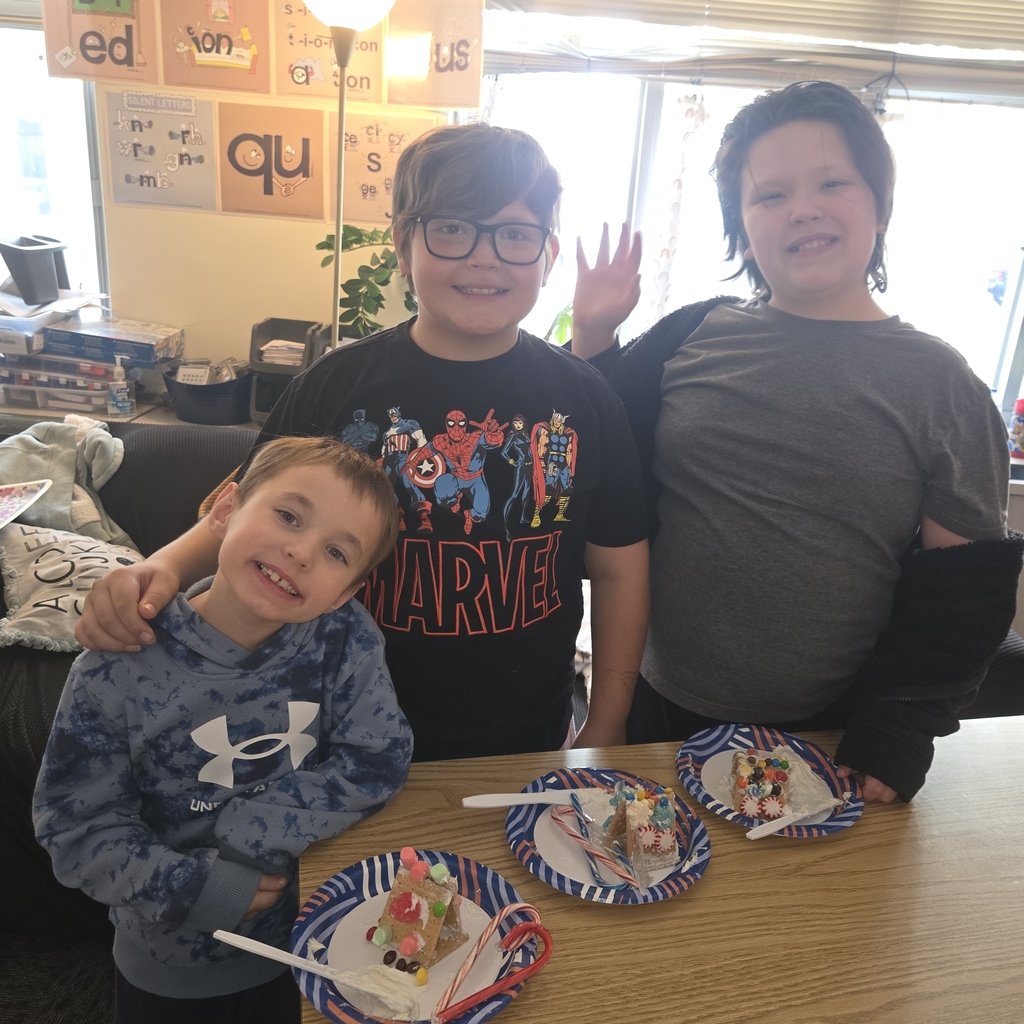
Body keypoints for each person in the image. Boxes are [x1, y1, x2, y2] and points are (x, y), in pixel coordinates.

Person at [74, 123, 650, 762]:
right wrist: (163, 567)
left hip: (521, 738)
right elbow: (243, 509)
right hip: (326, 736)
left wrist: (608, 720)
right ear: (404, 246)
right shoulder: (336, 384)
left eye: (515, 234)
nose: (484, 257)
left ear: (548, 254)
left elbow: (620, 570)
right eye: (453, 228)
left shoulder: (588, 398)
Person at [572, 81, 1022, 803]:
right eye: (770, 194)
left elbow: (963, 595)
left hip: (831, 739)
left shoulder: (944, 385)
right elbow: (592, 456)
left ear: (878, 202)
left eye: (832, 182)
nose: (803, 208)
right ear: (743, 226)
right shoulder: (691, 333)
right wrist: (593, 333)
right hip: (656, 711)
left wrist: (899, 729)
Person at [34, 436, 412, 1023]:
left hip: (314, 941)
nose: (303, 553)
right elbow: (74, 826)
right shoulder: (116, 666)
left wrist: (260, 826)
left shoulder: (345, 639)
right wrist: (187, 885)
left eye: (338, 553)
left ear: (345, 593)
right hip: (172, 970)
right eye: (289, 516)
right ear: (226, 510)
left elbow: (379, 755)